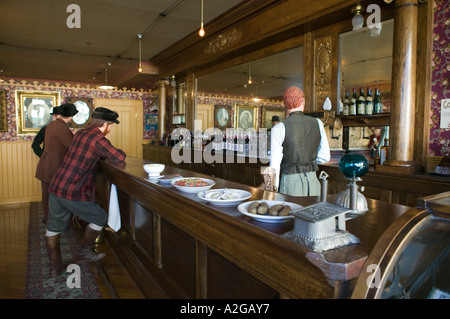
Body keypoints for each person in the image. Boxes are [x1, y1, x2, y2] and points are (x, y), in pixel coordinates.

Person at [45, 107, 126, 277]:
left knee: (54, 227)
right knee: (100, 217)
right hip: (72, 189)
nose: (110, 129)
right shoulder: (98, 139)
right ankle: (84, 251)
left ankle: (55, 268)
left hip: (57, 185)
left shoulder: (81, 133)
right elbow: (118, 157)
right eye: (110, 126)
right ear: (105, 124)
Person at [270, 86, 330, 196]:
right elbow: (325, 157)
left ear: (285, 104)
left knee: (291, 212)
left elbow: (273, 166)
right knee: (313, 212)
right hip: (313, 181)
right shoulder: (318, 123)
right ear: (303, 101)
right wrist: (308, 161)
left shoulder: (278, 128)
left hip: (290, 182)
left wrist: (269, 193)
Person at [35, 103, 78, 224]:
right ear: (70, 116)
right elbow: (72, 147)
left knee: (47, 195)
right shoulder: (62, 127)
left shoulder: (52, 124)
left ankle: (49, 220)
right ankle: (55, 223)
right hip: (55, 166)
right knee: (56, 197)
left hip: (47, 165)